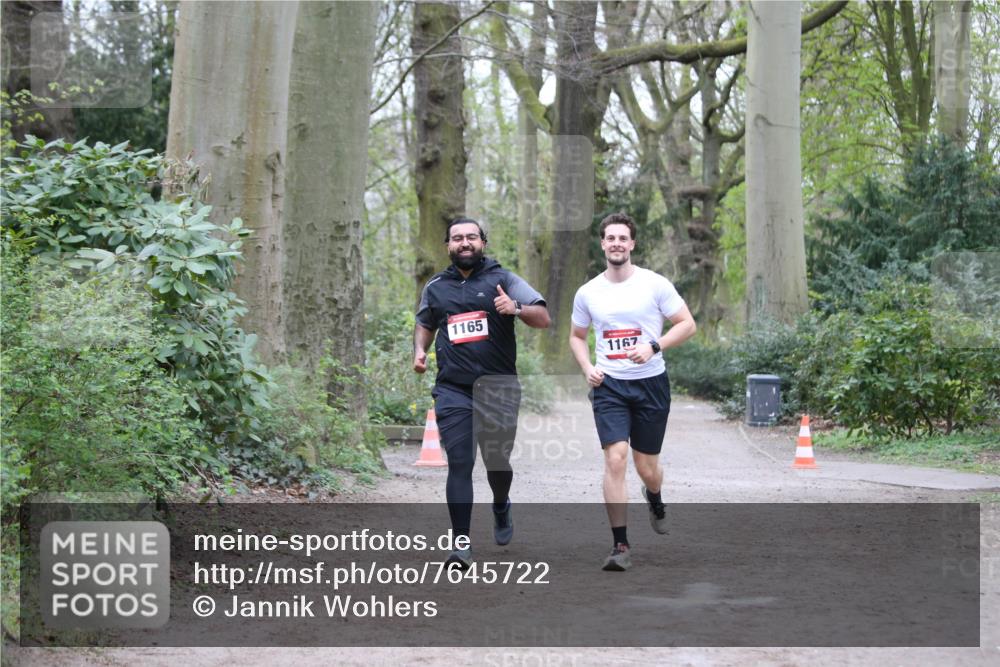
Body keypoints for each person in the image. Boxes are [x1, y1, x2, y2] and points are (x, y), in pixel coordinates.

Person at [413, 217, 550, 568]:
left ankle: (501, 503)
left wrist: (516, 308)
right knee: (460, 463)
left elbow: (543, 317)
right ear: (448, 245)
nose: (465, 243)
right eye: (457, 238)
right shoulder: (436, 286)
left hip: (498, 389)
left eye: (471, 237)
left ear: (483, 242)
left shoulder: (503, 279)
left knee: (497, 462)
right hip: (453, 390)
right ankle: (461, 546)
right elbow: (425, 322)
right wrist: (419, 350)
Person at [568, 212, 697, 571]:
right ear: (602, 244)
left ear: (632, 244)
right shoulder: (588, 292)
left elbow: (687, 324)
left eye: (622, 238)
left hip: (650, 384)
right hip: (608, 385)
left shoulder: (654, 284)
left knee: (647, 467)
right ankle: (620, 545)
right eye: (610, 238)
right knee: (616, 458)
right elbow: (577, 336)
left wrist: (654, 346)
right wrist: (587, 367)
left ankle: (654, 496)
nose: (616, 244)